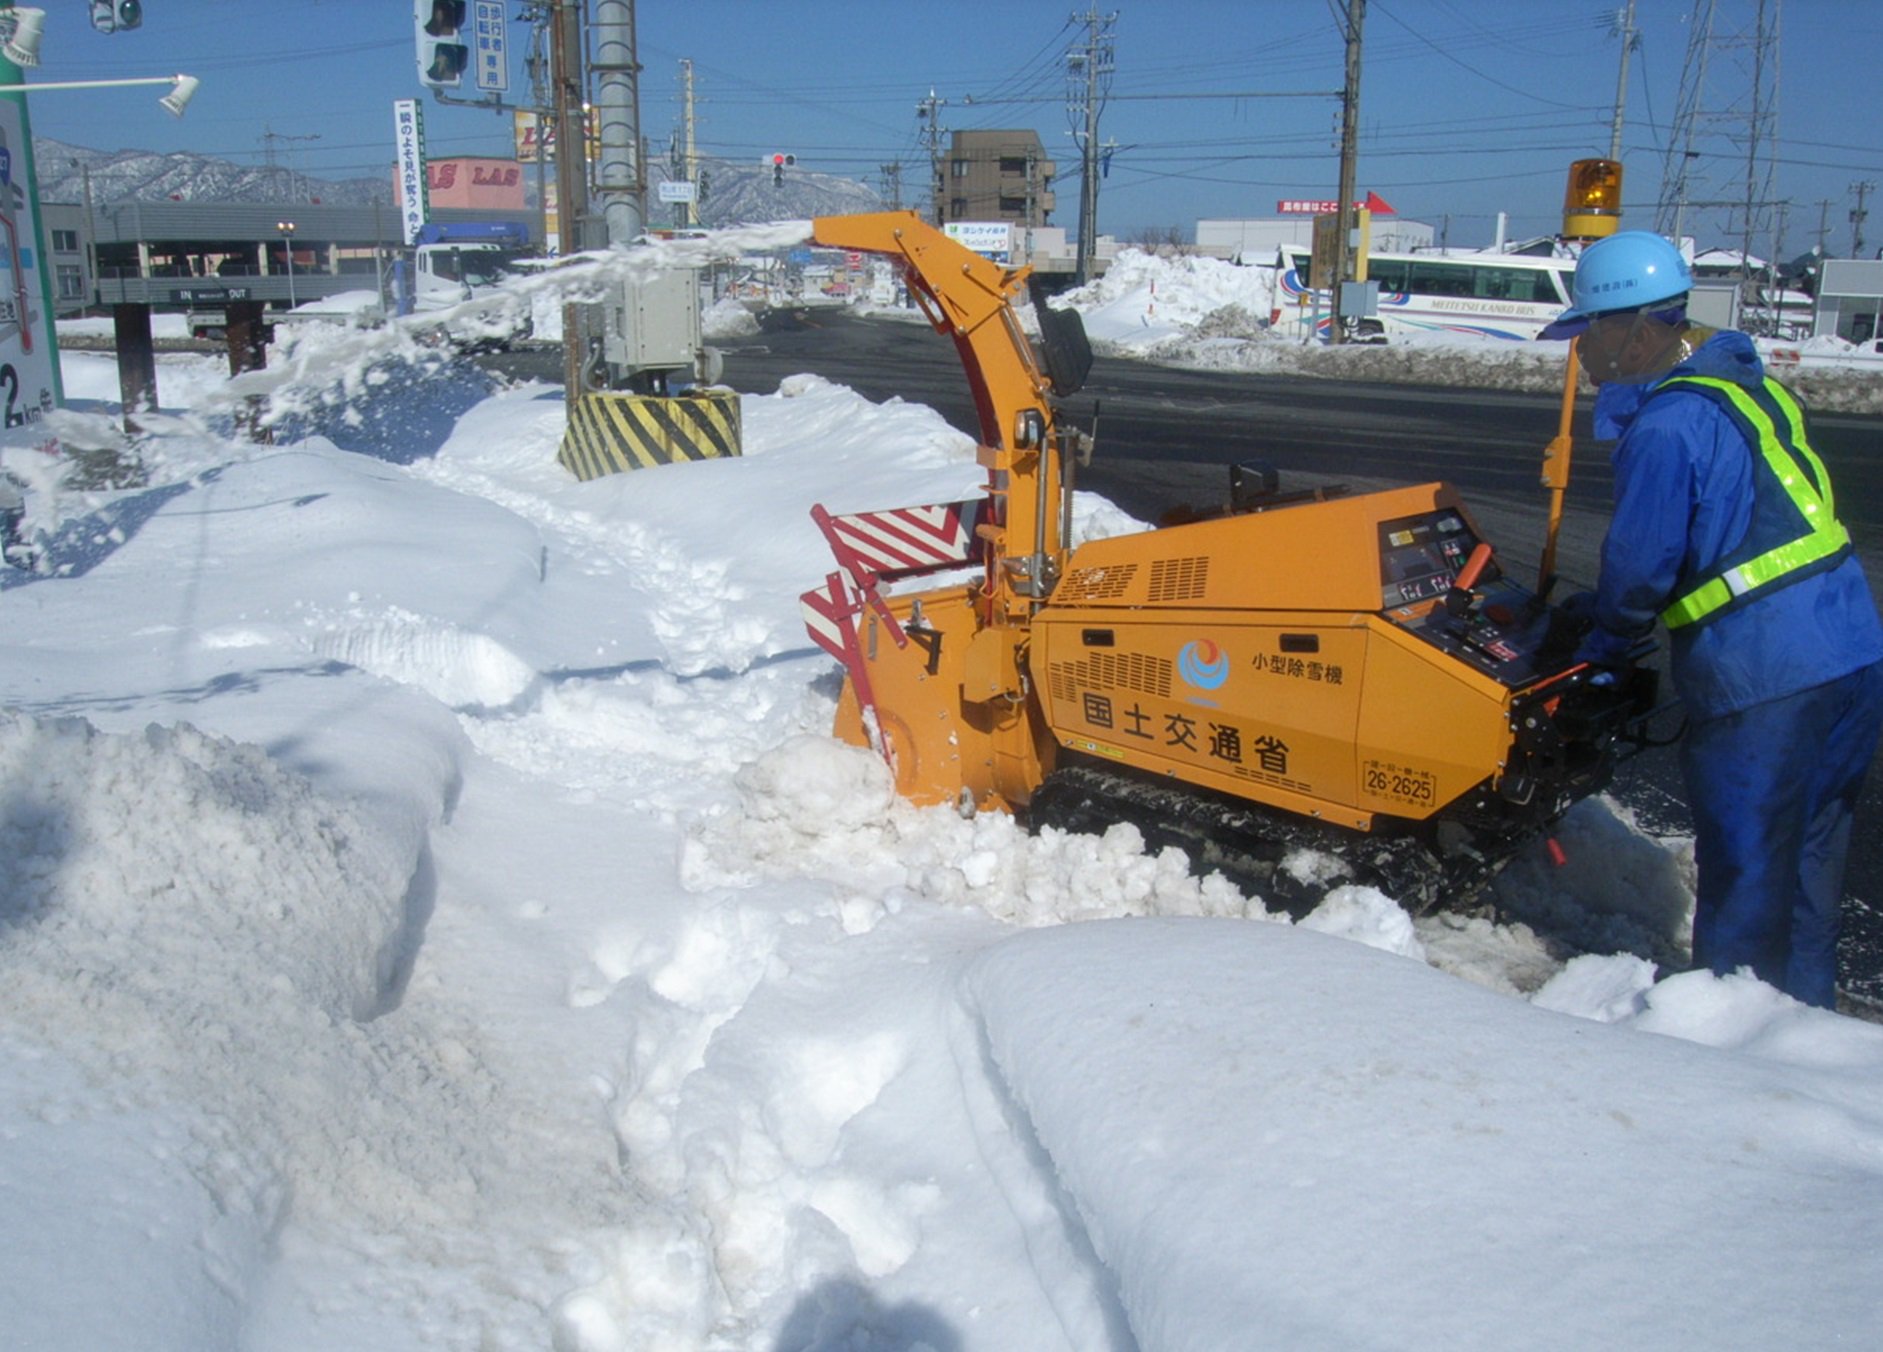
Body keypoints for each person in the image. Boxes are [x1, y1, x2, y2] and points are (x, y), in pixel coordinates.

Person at [1542, 230, 1883, 1009]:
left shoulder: (1665, 426)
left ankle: (1731, 1047)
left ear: (1633, 329)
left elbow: (1640, 568)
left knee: (1746, 866)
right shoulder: (1747, 389)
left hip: (1767, 674)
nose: (1580, 356)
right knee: (1810, 860)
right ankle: (1806, 1028)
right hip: (1850, 650)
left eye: (1585, 333)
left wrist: (1603, 646)